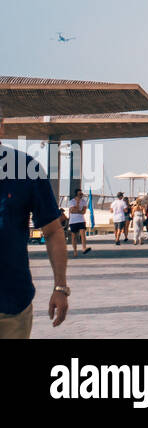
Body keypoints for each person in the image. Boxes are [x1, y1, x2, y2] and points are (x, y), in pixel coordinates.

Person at [0, 112, 70, 338]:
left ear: (1, 128)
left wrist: (60, 287)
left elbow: (52, 231)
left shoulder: (26, 169)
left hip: (11, 307)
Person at [66, 190, 91, 257]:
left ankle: (84, 248)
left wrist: (77, 210)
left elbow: (83, 212)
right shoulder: (71, 201)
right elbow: (72, 211)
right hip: (73, 221)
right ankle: (75, 251)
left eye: (81, 194)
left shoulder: (84, 201)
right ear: (76, 195)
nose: (81, 195)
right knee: (74, 237)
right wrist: (77, 204)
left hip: (81, 220)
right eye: (80, 194)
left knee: (83, 234)